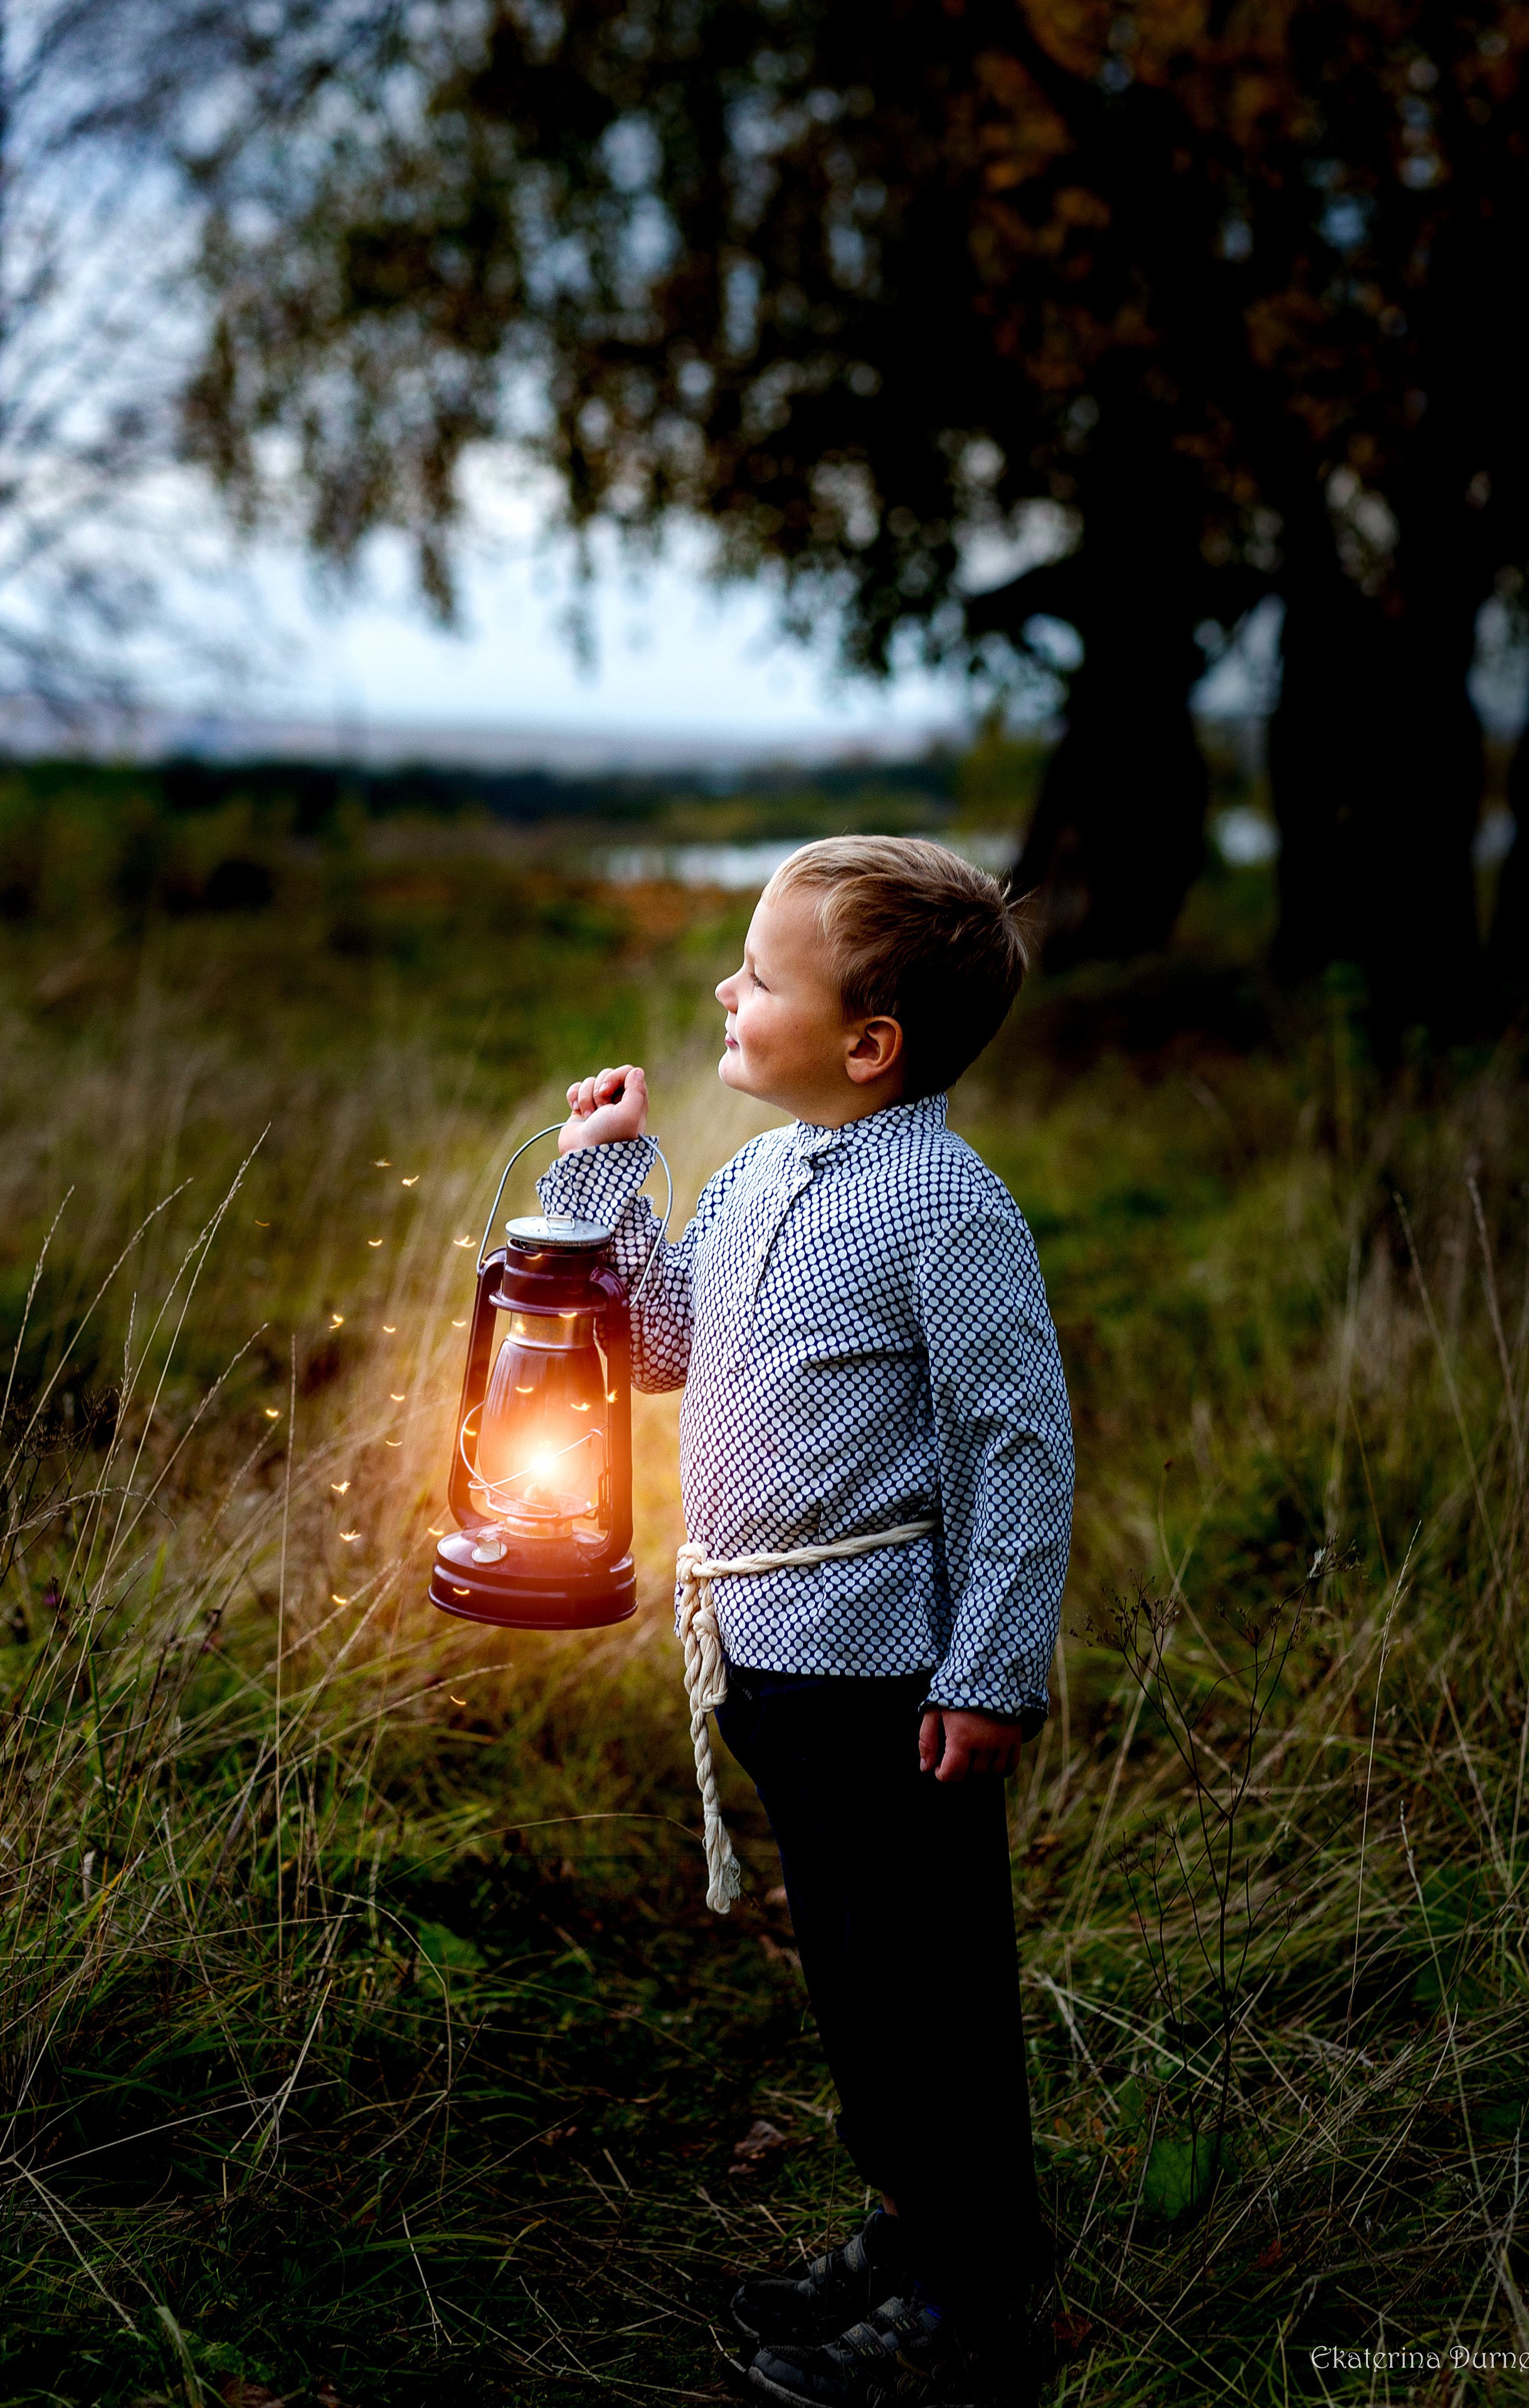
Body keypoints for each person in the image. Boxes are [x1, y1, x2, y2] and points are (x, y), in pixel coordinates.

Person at [539, 835, 1074, 2408]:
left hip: (891, 1679)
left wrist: (989, 1673)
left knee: (928, 1991)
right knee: (851, 1976)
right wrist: (599, 1180)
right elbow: (659, 1346)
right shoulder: (761, 1174)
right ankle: (913, 2233)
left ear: (867, 1046)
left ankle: (980, 2308)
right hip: (762, 1664)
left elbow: (1013, 1438)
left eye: (760, 973)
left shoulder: (945, 1206)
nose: (726, 984)